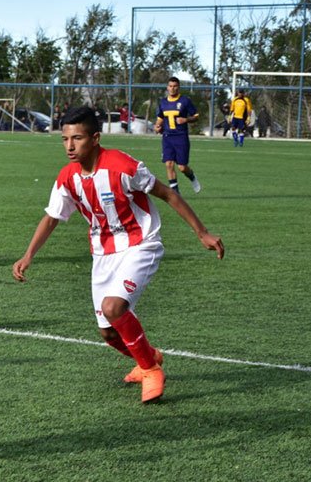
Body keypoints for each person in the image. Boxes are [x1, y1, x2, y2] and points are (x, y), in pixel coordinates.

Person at [12, 106, 225, 404]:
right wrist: (28, 255)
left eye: (77, 138)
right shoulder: (67, 177)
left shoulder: (123, 166)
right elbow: (52, 218)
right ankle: (148, 357)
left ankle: (150, 370)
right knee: (108, 334)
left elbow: (168, 194)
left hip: (141, 245)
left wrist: (202, 232)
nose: (70, 146)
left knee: (113, 308)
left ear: (95, 138)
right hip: (103, 254)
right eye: (65, 139)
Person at [154, 77, 201, 193]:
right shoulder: (163, 102)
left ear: (178, 87)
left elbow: (196, 116)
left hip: (181, 137)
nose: (172, 88)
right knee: (169, 164)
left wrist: (186, 120)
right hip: (167, 137)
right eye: (170, 86)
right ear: (167, 87)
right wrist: (157, 126)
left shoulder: (185, 101)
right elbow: (160, 118)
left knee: (182, 167)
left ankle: (192, 177)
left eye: (175, 86)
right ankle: (175, 193)